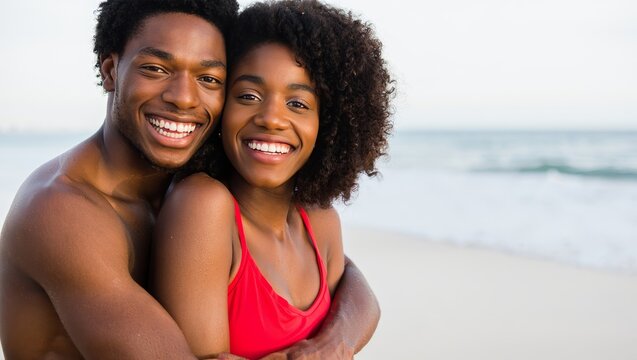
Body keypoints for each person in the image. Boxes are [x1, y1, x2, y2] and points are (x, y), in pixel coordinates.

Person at [0, 1, 380, 358]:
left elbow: (348, 274)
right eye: (156, 69)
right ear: (111, 70)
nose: (184, 98)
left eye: (209, 78)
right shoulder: (60, 211)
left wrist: (335, 342)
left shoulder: (182, 187)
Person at [151, 0, 394, 358]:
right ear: (221, 105)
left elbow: (355, 291)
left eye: (298, 104)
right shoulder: (201, 205)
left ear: (328, 125)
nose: (271, 119)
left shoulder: (321, 220)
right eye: (248, 95)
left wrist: (335, 342)